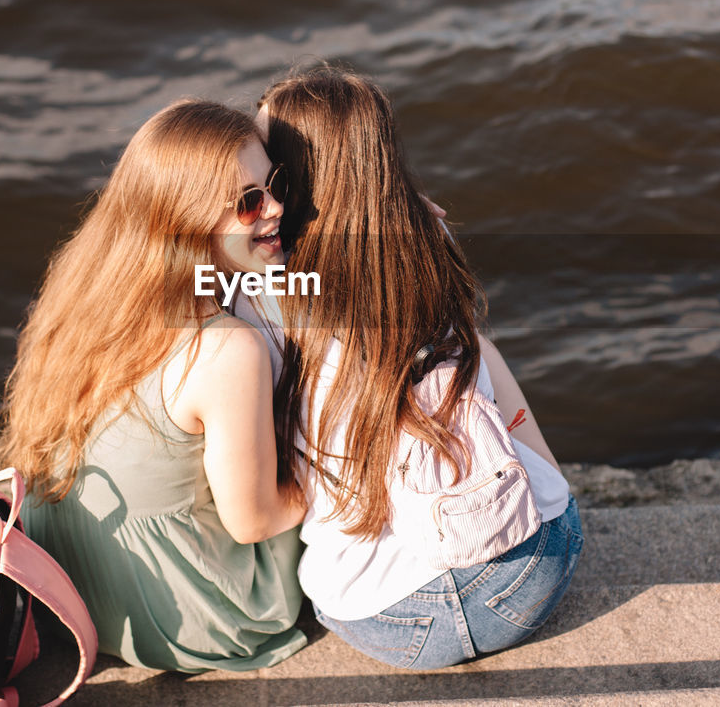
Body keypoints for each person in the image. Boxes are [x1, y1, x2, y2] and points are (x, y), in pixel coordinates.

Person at [241, 66, 584, 670]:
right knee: (473, 345)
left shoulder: (259, 291)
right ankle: (545, 475)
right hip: (528, 574)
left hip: (386, 620)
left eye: (265, 163)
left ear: (291, 179)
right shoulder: (431, 237)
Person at [0, 99, 307, 673]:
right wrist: (354, 485)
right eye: (248, 201)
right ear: (184, 218)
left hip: (65, 587)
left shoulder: (82, 289)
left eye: (273, 183)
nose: (277, 207)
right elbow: (254, 522)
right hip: (182, 618)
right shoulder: (226, 348)